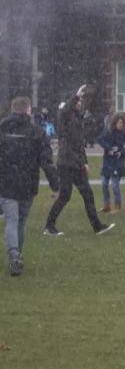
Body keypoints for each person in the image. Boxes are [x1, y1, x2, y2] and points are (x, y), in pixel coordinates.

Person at [44, 85, 114, 236]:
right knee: (65, 196)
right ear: (72, 101)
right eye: (78, 101)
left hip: (76, 163)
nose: (80, 103)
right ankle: (49, 226)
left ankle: (97, 226)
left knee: (87, 194)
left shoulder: (77, 117)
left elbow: (79, 144)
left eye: (81, 100)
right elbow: (65, 110)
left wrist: (85, 162)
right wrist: (75, 95)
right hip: (66, 164)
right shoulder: (65, 116)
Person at [0, 96, 59, 276]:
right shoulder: (36, 131)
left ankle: (14, 256)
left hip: (6, 181)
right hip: (27, 181)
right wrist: (54, 183)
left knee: (11, 220)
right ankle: (17, 255)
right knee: (21, 221)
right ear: (28, 110)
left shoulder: (2, 128)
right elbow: (46, 160)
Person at [96, 113, 125, 214]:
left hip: (118, 163)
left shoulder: (124, 134)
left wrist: (121, 153)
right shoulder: (108, 132)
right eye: (119, 123)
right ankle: (107, 204)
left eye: (122, 123)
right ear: (114, 123)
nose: (120, 125)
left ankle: (117, 206)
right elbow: (99, 139)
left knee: (115, 185)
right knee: (104, 184)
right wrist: (108, 148)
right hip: (108, 162)